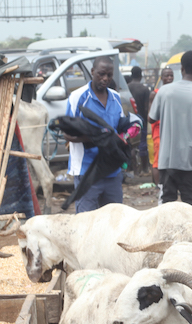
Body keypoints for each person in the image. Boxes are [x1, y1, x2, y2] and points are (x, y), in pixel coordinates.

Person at [148, 51, 192, 207]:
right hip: (191, 162)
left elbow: (151, 118)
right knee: (191, 208)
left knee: (165, 208)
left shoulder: (164, 91)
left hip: (167, 160)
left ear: (182, 68)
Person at [65, 56, 126, 213]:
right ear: (92, 72)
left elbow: (120, 130)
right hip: (87, 173)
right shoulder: (78, 97)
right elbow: (68, 135)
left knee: (115, 223)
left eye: (109, 75)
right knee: (87, 225)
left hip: (113, 173)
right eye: (101, 74)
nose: (105, 79)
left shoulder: (116, 98)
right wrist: (96, 137)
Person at [148, 67, 174, 186]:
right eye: (166, 76)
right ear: (162, 78)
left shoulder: (175, 92)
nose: (169, 78)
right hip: (159, 131)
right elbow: (150, 116)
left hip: (172, 131)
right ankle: (159, 187)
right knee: (158, 160)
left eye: (171, 75)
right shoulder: (155, 94)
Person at [128, 66, 150, 172]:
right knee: (142, 145)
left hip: (129, 121)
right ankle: (144, 168)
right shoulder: (144, 89)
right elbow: (146, 108)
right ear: (141, 76)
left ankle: (132, 169)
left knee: (130, 144)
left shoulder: (126, 88)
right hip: (142, 121)